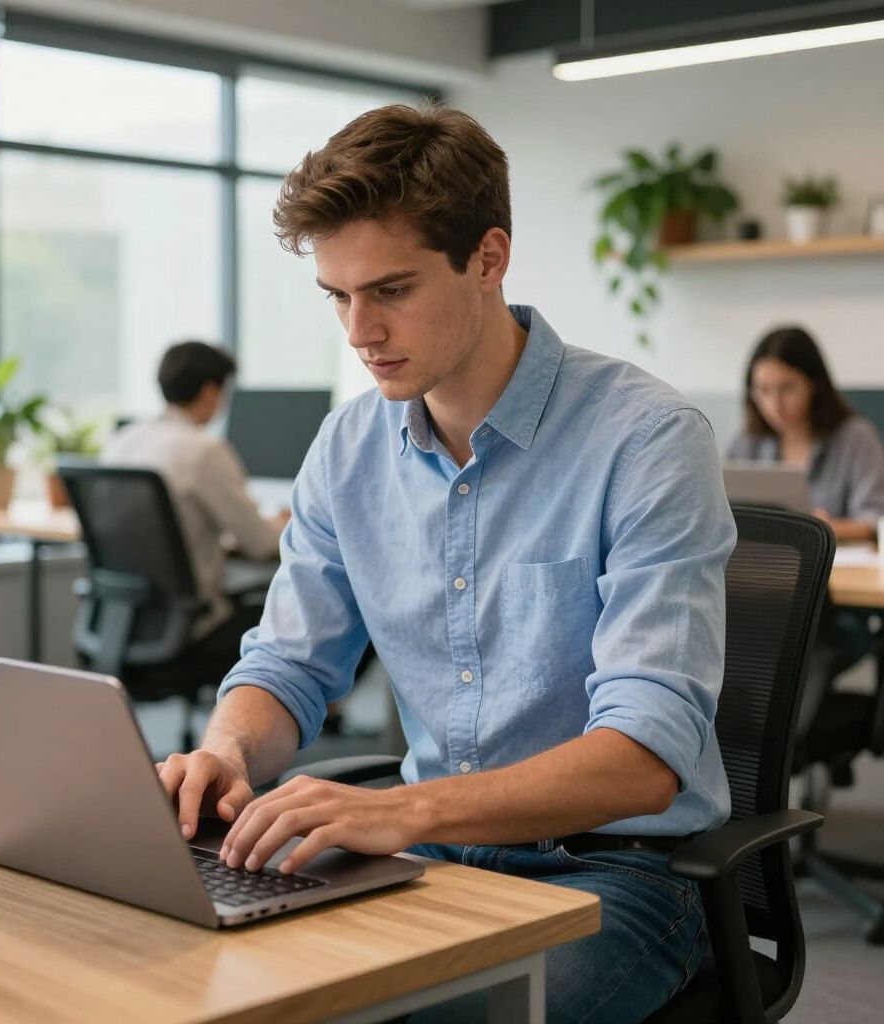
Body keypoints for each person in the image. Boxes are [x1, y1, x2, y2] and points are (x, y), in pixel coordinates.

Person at [158, 104, 736, 1024]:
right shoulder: (349, 447)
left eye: (390, 290)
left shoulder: (647, 440)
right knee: (213, 978)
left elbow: (644, 758)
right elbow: (289, 664)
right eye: (338, 296)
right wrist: (227, 748)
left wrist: (407, 814)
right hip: (427, 857)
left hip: (618, 873)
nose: (359, 330)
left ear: (488, 258)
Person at [102, 341, 287, 652]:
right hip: (193, 630)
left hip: (122, 622)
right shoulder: (204, 450)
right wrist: (285, 523)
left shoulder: (122, 442)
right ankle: (322, 702)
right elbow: (261, 544)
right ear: (210, 391)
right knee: (317, 619)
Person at [725, 326, 884, 541]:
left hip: (839, 565)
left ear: (814, 384)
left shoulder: (856, 438)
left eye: (787, 388)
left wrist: (822, 528)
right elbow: (721, 513)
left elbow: (874, 520)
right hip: (765, 561)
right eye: (763, 390)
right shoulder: (745, 441)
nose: (775, 404)